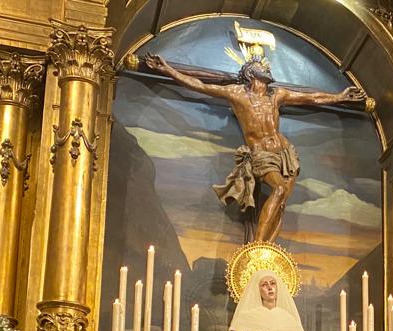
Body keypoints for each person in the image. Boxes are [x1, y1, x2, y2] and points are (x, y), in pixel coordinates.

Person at [143, 52, 366, 243]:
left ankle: (267, 250)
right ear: (251, 73)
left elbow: (311, 98)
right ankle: (258, 247)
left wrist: (338, 97)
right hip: (261, 154)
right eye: (262, 65)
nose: (267, 67)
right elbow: (201, 85)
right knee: (277, 190)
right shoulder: (237, 94)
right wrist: (168, 69)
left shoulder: (277, 96)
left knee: (281, 204)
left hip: (285, 152)